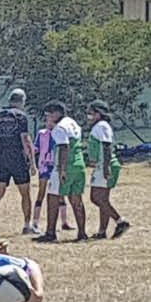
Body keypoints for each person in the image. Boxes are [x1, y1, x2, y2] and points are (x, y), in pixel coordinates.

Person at [0, 87, 35, 236]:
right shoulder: (21, 116)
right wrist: (32, 162)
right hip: (17, 157)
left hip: (1, 157)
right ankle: (27, 225)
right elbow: (25, 139)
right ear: (22, 101)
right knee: (25, 192)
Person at [37, 100, 87, 243]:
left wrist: (62, 169)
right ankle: (82, 233)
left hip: (65, 166)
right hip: (79, 165)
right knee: (76, 199)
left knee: (52, 197)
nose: (48, 118)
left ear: (56, 113)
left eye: (49, 115)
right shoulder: (73, 123)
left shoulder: (59, 128)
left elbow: (64, 147)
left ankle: (50, 232)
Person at [86, 100, 130, 238]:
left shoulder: (101, 126)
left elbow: (106, 146)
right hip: (102, 165)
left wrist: (106, 168)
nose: (89, 116)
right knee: (103, 199)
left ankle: (120, 221)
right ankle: (102, 231)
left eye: (91, 113)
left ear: (99, 114)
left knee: (96, 198)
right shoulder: (99, 126)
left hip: (106, 164)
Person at [27, 106, 72, 235]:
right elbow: (36, 148)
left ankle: (64, 222)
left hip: (56, 166)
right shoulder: (42, 134)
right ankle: (35, 222)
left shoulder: (59, 132)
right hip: (45, 166)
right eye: (47, 121)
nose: (49, 123)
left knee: (60, 194)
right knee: (41, 192)